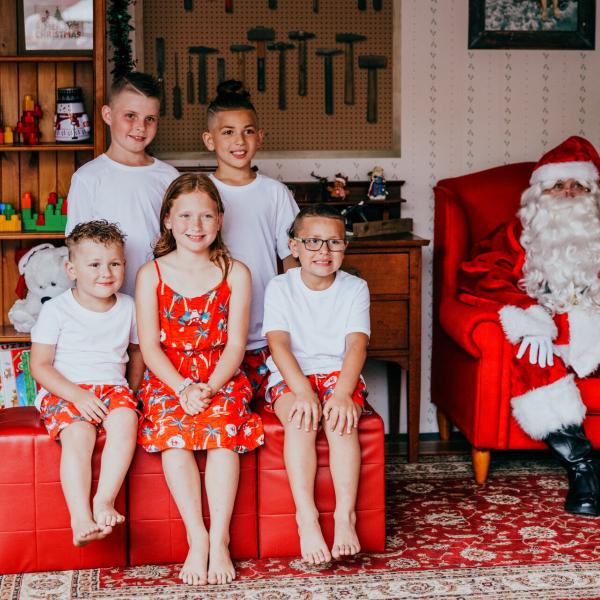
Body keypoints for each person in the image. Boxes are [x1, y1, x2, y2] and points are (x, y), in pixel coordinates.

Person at [458, 136, 600, 517]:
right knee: (530, 352)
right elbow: (481, 273)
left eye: (578, 186)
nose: (568, 193)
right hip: (548, 322)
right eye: (558, 185)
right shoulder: (519, 232)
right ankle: (583, 468)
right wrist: (527, 313)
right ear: (540, 192)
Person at [135, 173, 264, 586]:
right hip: (169, 377)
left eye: (206, 216)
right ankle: (197, 536)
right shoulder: (150, 274)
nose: (196, 225)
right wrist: (182, 389)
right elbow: (151, 349)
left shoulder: (236, 272)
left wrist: (208, 386)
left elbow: (236, 346)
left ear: (221, 219)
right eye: (186, 215)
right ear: (168, 220)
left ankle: (221, 537)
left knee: (224, 431)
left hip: (220, 374)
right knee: (174, 434)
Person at [262, 204, 370, 564]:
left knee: (341, 424)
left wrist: (342, 394)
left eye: (334, 243)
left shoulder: (355, 287)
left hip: (339, 374)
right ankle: (306, 517)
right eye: (312, 242)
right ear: (294, 247)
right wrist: (303, 391)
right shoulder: (280, 286)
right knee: (300, 419)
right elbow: (278, 343)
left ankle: (344, 516)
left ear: (345, 247)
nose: (323, 252)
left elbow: (356, 344)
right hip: (292, 375)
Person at [29, 221, 143, 547]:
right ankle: (80, 516)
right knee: (80, 434)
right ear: (71, 269)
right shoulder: (56, 310)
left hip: (112, 387)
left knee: (126, 420)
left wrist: (130, 392)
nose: (105, 272)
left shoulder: (128, 307)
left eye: (115, 264)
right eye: (94, 264)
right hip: (66, 388)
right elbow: (39, 365)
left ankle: (104, 500)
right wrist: (76, 395)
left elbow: (136, 352)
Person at [202, 80, 299, 402]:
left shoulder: (275, 193)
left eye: (247, 131)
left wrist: (290, 317)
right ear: (209, 140)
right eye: (227, 132)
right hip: (211, 329)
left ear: (260, 137)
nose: (239, 141)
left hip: (264, 329)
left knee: (269, 405)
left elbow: (291, 259)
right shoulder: (199, 191)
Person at [66, 72, 179, 297]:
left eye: (150, 118)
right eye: (130, 115)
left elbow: (179, 241)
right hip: (106, 301)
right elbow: (78, 248)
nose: (141, 127)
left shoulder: (169, 177)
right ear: (108, 114)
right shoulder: (88, 178)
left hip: (161, 296)